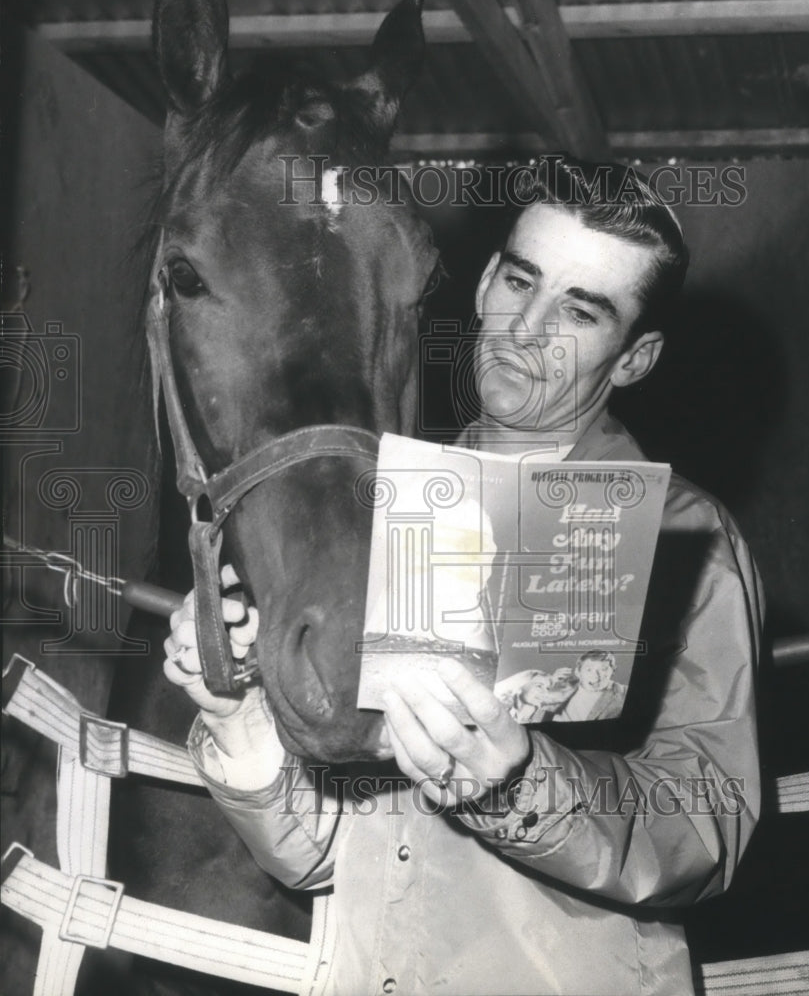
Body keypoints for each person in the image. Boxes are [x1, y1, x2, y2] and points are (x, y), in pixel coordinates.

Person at [164, 159, 763, 996]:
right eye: (522, 281)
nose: (526, 328)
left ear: (634, 358)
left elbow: (707, 830)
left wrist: (519, 781)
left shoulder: (685, 536)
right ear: (486, 281)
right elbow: (326, 858)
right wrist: (241, 716)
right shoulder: (398, 513)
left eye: (581, 311)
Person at [551, 651, 627, 722]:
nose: (595, 676)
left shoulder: (624, 692)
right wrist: (550, 685)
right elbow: (542, 717)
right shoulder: (563, 687)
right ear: (578, 672)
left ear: (613, 671)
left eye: (603, 669)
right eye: (589, 669)